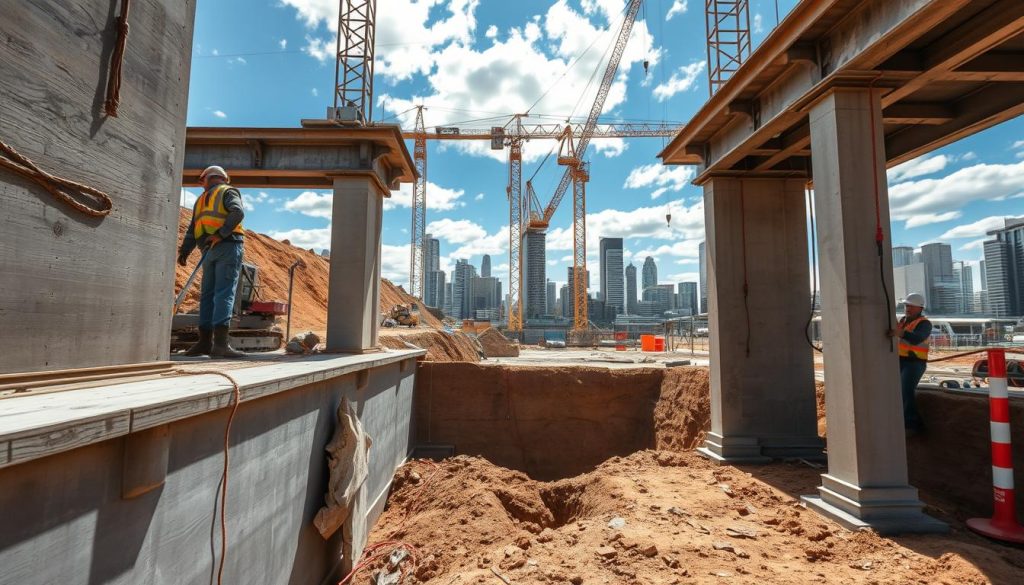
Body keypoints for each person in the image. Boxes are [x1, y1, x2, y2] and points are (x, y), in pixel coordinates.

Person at [177, 165, 246, 358]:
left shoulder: (201, 201)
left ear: (210, 177)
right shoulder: (227, 191)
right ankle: (220, 345)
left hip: (209, 250)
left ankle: (205, 343)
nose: (201, 184)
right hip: (227, 247)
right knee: (223, 293)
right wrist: (222, 234)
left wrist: (185, 251)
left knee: (207, 295)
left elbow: (193, 229)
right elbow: (237, 212)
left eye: (202, 180)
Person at [888, 293, 931, 435]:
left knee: (906, 390)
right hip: (900, 361)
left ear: (920, 307)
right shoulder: (903, 320)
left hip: (914, 362)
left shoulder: (924, 323)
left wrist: (900, 333)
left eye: (911, 306)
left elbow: (917, 338)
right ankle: (913, 423)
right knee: (899, 392)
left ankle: (912, 425)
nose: (908, 308)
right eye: (906, 305)